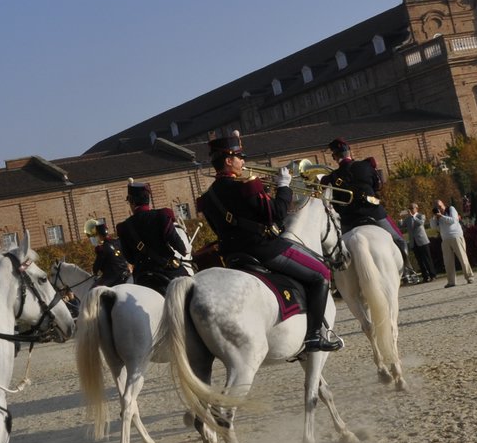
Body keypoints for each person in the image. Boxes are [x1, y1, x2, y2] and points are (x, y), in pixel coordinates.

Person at [196, 130, 342, 354]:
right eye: (239, 157)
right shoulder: (247, 187)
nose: (243, 161)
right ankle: (314, 335)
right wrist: (283, 187)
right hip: (263, 248)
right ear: (228, 160)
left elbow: (218, 228)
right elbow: (277, 213)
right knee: (321, 273)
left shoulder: (207, 198)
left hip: (230, 254)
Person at [320, 138, 406, 252]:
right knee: (399, 240)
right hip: (373, 212)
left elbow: (331, 199)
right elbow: (377, 186)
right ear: (349, 152)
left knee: (339, 252)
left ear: (335, 157)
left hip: (348, 219)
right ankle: (408, 268)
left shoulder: (332, 177)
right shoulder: (366, 165)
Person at [116, 181, 192, 292]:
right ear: (148, 199)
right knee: (192, 290)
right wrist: (184, 251)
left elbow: (130, 258)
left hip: (142, 276)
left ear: (131, 201)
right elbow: (175, 241)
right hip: (167, 269)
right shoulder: (161, 216)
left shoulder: (124, 227)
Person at [431, 200, 474, 287]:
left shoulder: (450, 209)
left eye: (439, 206)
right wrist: (434, 217)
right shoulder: (437, 216)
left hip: (456, 236)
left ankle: (469, 277)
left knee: (463, 258)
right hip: (445, 239)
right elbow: (433, 227)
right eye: (436, 206)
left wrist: (441, 216)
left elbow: (453, 221)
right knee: (448, 262)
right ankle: (451, 281)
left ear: (443, 204)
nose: (438, 208)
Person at [85, 220, 130, 287]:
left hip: (113, 276)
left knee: (95, 288)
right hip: (126, 272)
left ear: (99, 235)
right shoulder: (118, 242)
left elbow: (97, 265)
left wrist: (95, 272)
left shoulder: (102, 248)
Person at [400, 202, 435, 282]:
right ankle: (425, 277)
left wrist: (413, 217)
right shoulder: (408, 219)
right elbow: (401, 226)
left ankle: (432, 275)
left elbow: (421, 223)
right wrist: (401, 220)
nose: (410, 210)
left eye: (412, 208)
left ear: (416, 208)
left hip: (422, 241)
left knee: (427, 259)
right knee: (420, 260)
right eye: (409, 208)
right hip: (413, 242)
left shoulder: (421, 216)